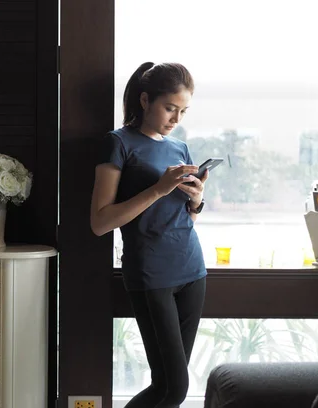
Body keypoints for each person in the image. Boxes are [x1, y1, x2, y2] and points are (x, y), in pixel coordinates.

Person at [90, 62, 207, 408]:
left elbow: (184, 218)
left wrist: (197, 200)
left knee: (166, 386)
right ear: (145, 100)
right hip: (150, 274)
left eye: (183, 110)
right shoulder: (118, 143)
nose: (176, 119)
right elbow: (99, 222)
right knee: (175, 388)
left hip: (193, 269)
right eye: (170, 107)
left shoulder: (179, 149)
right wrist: (158, 189)